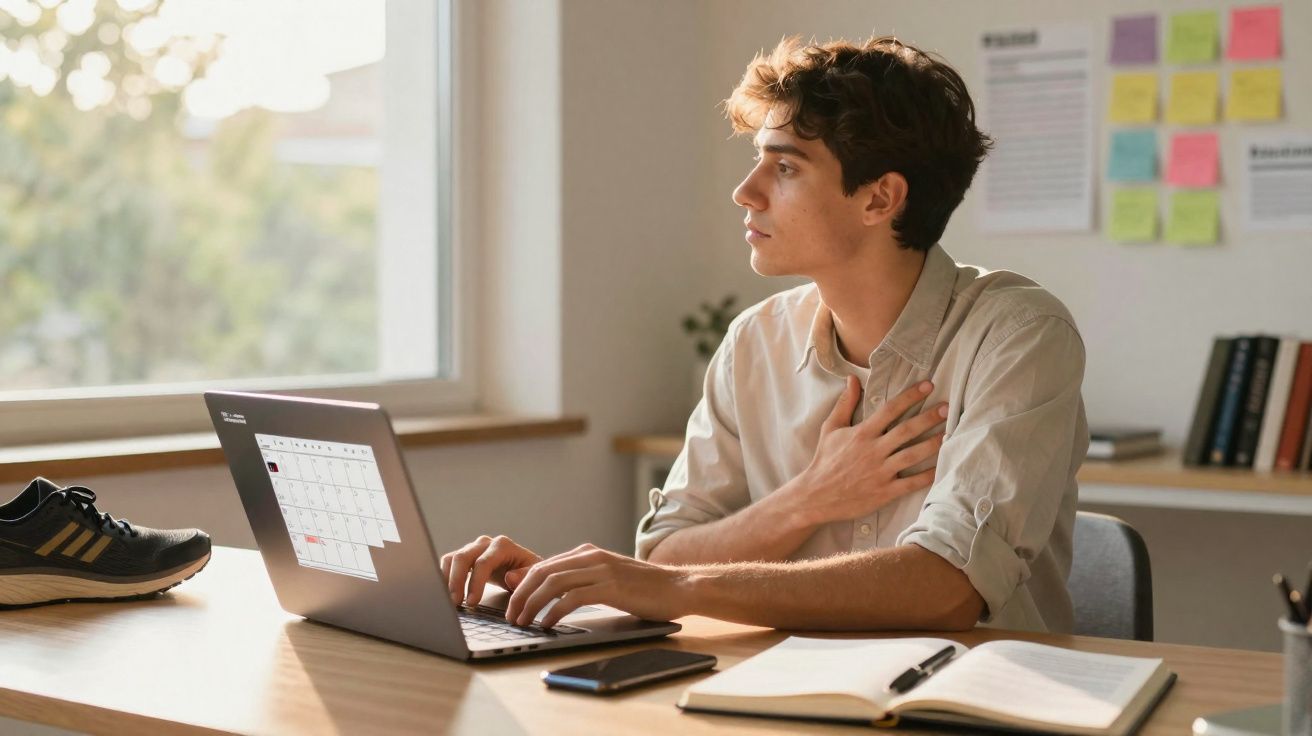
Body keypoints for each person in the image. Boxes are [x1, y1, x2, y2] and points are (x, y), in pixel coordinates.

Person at [441, 35, 1088, 634]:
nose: (745, 192)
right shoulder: (755, 341)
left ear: (879, 200)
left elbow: (949, 587)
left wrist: (682, 586)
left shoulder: (1020, 335)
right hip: (776, 698)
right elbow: (666, 551)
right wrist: (809, 499)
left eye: (785, 169)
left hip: (968, 707)